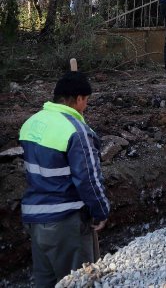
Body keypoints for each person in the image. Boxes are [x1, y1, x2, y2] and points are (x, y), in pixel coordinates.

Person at [19, 71, 110, 287]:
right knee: (78, 281)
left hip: (35, 220)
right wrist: (101, 211)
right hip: (65, 222)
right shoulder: (77, 131)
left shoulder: (31, 123)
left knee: (46, 281)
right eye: (86, 101)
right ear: (78, 99)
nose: (86, 106)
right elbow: (88, 178)